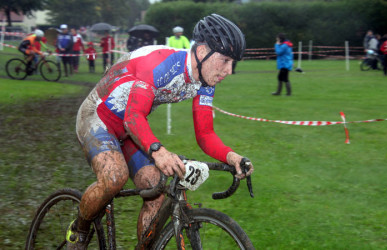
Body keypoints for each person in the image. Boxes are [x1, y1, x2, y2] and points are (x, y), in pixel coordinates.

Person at [67, 13, 254, 250]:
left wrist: (232, 157)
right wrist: (158, 151)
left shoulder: (205, 83)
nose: (229, 70)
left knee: (155, 187)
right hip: (98, 117)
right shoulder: (162, 63)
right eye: (225, 60)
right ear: (202, 50)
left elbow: (205, 135)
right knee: (114, 177)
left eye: (232, 63)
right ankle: (79, 230)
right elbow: (134, 117)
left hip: (129, 130)